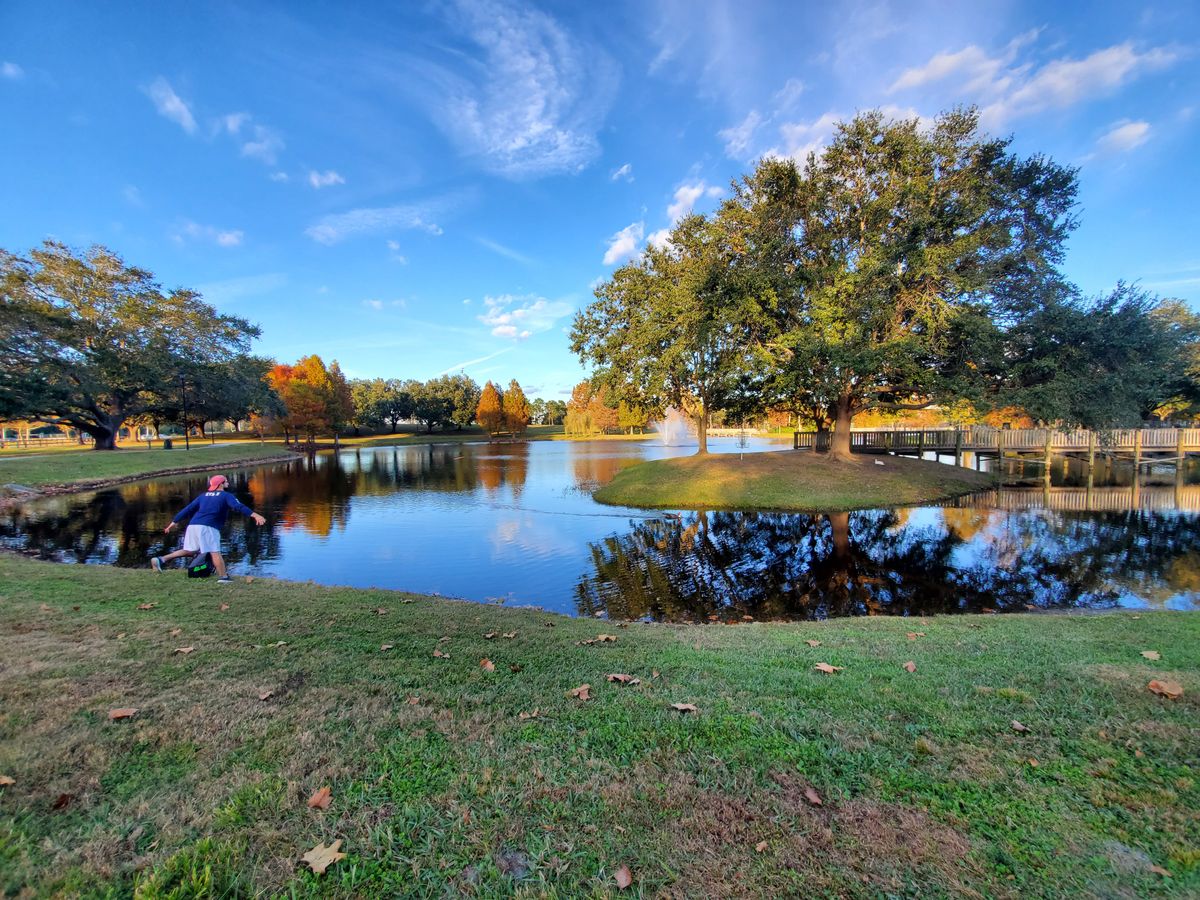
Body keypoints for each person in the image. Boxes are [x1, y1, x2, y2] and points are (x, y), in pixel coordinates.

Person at [150, 474, 266, 583]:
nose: (228, 483)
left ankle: (161, 559)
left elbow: (188, 509)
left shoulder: (203, 496)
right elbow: (238, 506)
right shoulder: (226, 496)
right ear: (221, 484)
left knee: (190, 550)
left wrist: (173, 522)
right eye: (226, 481)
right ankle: (224, 577)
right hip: (208, 527)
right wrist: (255, 515)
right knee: (215, 551)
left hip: (193, 525)